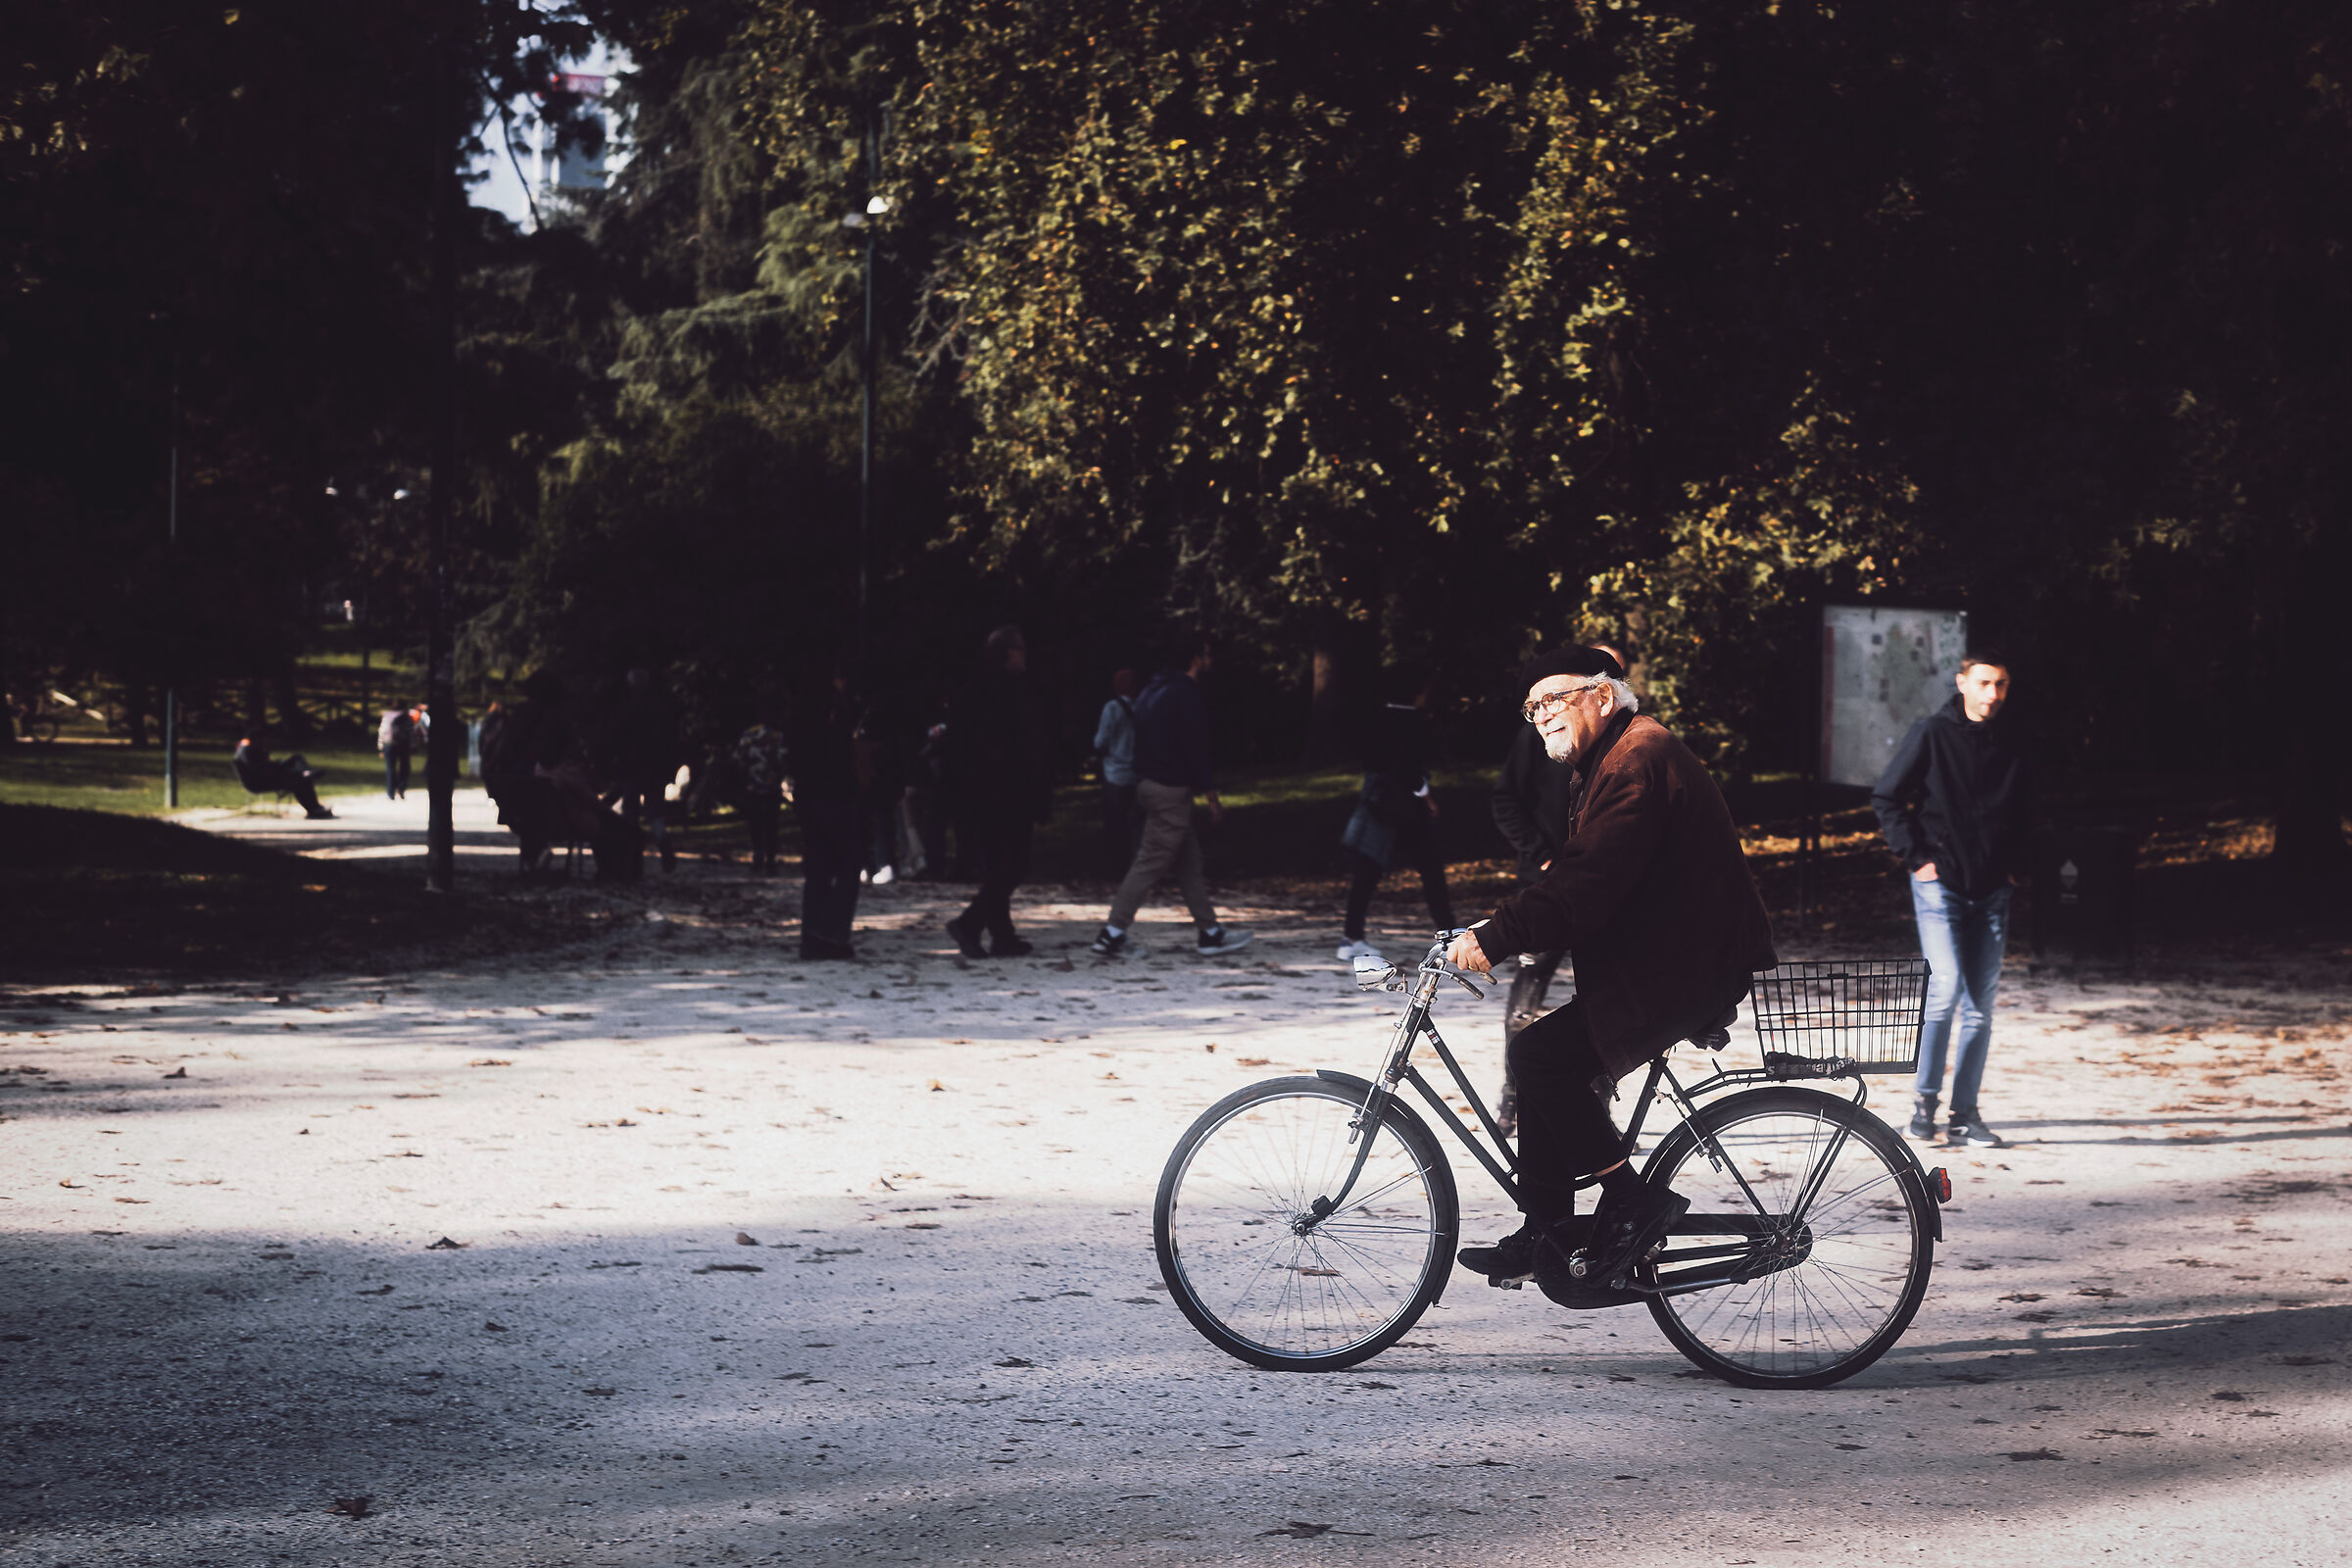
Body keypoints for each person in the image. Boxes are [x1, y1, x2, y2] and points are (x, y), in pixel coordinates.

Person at [1446, 646, 1776, 1290]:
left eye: (1553, 700)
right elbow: (1591, 881)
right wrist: (1512, 922)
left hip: (1688, 962)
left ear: (1601, 695)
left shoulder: (1635, 760)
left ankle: (1631, 1200)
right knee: (1541, 1055)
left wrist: (1498, 934)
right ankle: (1547, 1228)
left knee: (1542, 1057)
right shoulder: (1612, 756)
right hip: (1669, 955)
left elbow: (1587, 881)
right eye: (1531, 707)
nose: (1540, 716)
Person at [1871, 649, 2034, 1150]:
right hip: (1939, 884)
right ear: (1962, 683)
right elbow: (1887, 797)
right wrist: (1918, 860)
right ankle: (1923, 1109)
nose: (1993, 694)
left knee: (1981, 1007)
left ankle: (1965, 1114)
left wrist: (2013, 868)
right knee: (1946, 990)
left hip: (1991, 889)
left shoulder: (2013, 741)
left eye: (2001, 684)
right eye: (1984, 683)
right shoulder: (1932, 732)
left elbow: (2027, 810)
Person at [1090, 637, 1252, 958]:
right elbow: (1195, 749)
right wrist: (1212, 797)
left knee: (1189, 862)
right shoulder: (1184, 693)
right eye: (1207, 652)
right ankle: (1112, 934)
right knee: (1149, 862)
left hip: (1150, 785)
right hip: (1170, 790)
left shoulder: (1152, 690)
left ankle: (1210, 932)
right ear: (1195, 657)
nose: (1211, 659)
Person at [944, 626, 1051, 957]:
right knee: (1013, 864)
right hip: (1007, 792)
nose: (1025, 654)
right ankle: (971, 923)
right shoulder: (1011, 693)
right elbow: (1026, 747)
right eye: (1021, 649)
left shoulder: (973, 692)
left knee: (1000, 864)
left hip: (984, 793)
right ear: (1009, 653)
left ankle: (1001, 934)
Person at [1335, 678, 1454, 962]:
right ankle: (1448, 934)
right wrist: (1428, 799)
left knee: (1367, 872)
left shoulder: (1375, 718)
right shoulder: (1411, 722)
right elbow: (1411, 770)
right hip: (1405, 807)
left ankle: (1351, 937)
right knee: (1431, 871)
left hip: (1376, 803)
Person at [791, 665, 864, 960]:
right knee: (849, 863)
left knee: (819, 866)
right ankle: (829, 932)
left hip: (810, 791)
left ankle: (814, 937)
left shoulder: (802, 704)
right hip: (834, 791)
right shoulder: (835, 707)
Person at [615, 667, 681, 872]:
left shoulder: (626, 709)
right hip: (654, 769)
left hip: (632, 769)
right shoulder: (659, 708)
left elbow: (618, 741)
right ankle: (663, 843)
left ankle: (632, 857)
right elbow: (669, 741)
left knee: (631, 813)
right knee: (654, 813)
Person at [1093, 667, 1141, 874]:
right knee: (1135, 825)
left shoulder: (1112, 708)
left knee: (1115, 824)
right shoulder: (1143, 707)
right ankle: (1134, 866)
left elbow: (1100, 741)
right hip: (1137, 773)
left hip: (1114, 774)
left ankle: (1116, 868)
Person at [732, 710, 790, 875]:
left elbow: (738, 759)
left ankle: (759, 857)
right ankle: (770, 860)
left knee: (756, 824)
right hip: (770, 787)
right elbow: (783, 760)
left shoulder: (749, 735)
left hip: (754, 786)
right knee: (772, 825)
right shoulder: (777, 736)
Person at [231, 733, 334, 819]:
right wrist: (274, 765)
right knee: (299, 780)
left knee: (297, 759)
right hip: (263, 781)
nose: (264, 742)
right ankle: (314, 808)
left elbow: (264, 766)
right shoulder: (247, 751)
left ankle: (306, 775)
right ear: (256, 739)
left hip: (271, 775)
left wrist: (275, 764)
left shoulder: (248, 749)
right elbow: (260, 770)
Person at [377, 704, 416, 800]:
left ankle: (390, 792)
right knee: (404, 768)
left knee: (391, 769)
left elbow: (382, 731)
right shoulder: (407, 717)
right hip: (403, 746)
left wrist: (381, 747)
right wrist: (413, 747)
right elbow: (411, 733)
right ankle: (401, 789)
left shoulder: (387, 716)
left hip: (389, 744)